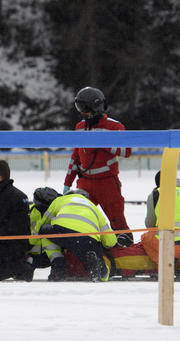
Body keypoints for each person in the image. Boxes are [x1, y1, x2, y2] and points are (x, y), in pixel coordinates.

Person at [63, 86, 134, 247]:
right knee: (76, 219)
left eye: (84, 108)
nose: (81, 112)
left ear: (95, 107)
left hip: (107, 184)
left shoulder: (115, 127)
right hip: (84, 183)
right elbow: (75, 157)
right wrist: (67, 183)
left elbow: (127, 151)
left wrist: (103, 142)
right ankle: (80, 251)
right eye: (79, 107)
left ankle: (126, 254)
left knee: (118, 222)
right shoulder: (80, 127)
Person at [37, 189, 118, 282]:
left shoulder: (60, 200)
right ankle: (100, 270)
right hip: (88, 238)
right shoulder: (94, 208)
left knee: (44, 231)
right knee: (101, 272)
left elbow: (43, 222)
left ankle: (58, 266)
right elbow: (110, 241)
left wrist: (31, 242)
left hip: (62, 231)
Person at [27, 187, 65, 280]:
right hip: (31, 255)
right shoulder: (29, 212)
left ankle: (59, 270)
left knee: (47, 239)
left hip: (50, 255)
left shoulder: (57, 213)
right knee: (22, 277)